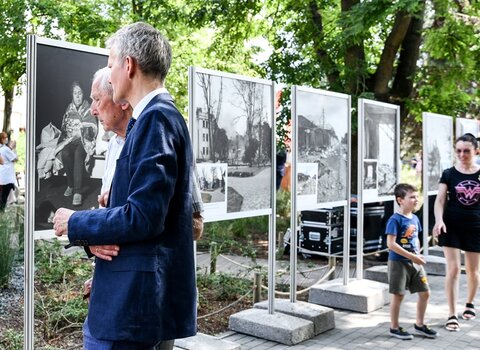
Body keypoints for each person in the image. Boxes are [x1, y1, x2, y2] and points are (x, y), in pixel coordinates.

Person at [53, 22, 196, 349]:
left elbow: (144, 216)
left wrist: (75, 221)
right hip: (132, 300)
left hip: (131, 309)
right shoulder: (157, 118)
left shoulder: (155, 120)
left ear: (128, 65)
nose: (109, 72)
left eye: (110, 63)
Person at [433, 133, 480, 332]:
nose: (461, 154)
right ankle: (451, 314)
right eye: (458, 150)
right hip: (451, 225)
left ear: (476, 151)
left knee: (472, 271)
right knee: (452, 269)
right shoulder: (449, 173)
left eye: (466, 151)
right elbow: (440, 200)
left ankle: (469, 303)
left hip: (476, 227)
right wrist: (439, 220)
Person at [386, 183, 437, 340]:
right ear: (400, 200)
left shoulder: (415, 218)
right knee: (398, 295)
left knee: (425, 293)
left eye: (417, 196)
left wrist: (418, 255)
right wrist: (411, 256)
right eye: (412, 197)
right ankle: (394, 328)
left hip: (415, 262)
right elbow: (391, 244)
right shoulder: (395, 219)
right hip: (398, 263)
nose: (416, 200)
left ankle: (420, 325)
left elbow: (416, 239)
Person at [54, 81, 98, 206]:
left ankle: (78, 191)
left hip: (84, 140)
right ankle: (70, 184)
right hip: (71, 139)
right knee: (65, 153)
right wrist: (70, 131)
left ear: (83, 94)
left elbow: (93, 127)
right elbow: (64, 126)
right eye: (75, 93)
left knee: (79, 153)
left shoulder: (88, 108)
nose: (77, 96)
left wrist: (82, 132)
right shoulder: (69, 108)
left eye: (80, 93)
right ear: (72, 95)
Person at [0, 132, 17, 210]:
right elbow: (15, 159)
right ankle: (2, 211)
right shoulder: (5, 149)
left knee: (3, 196)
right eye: (5, 138)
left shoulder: (3, 149)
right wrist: (13, 148)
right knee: (5, 197)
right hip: (7, 178)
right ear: (2, 139)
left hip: (3, 177)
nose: (6, 139)